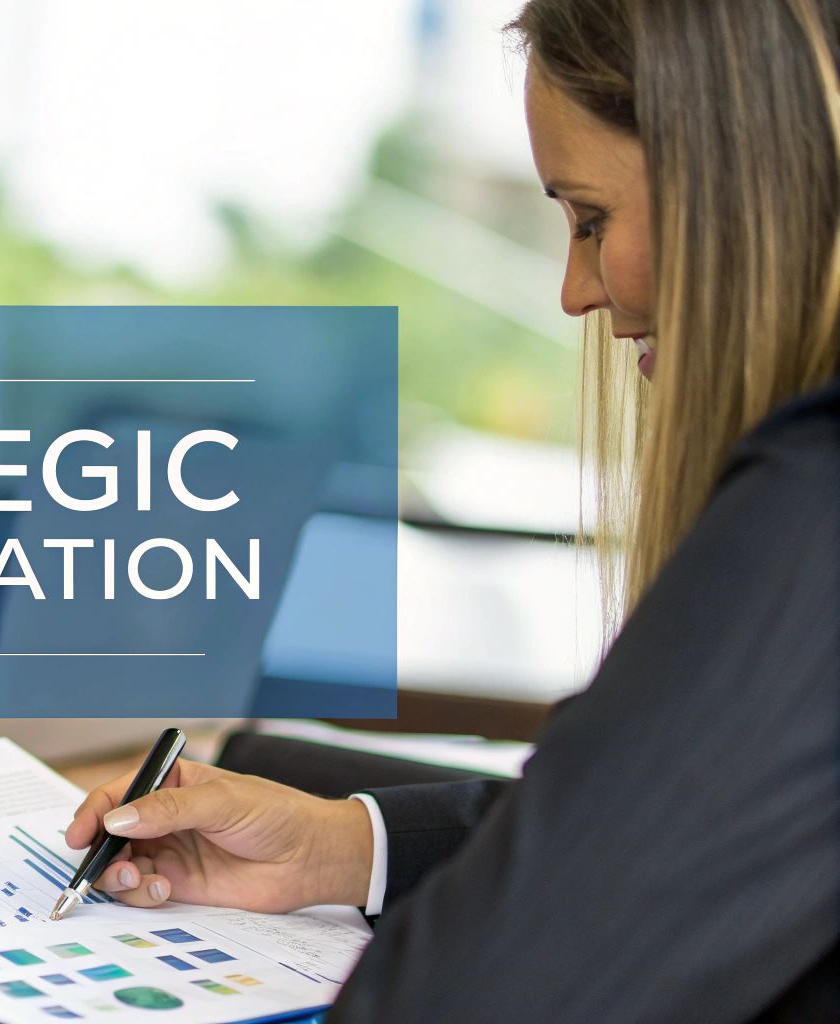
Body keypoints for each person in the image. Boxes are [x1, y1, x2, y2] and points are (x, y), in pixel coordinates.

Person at [65, 0, 840, 1019]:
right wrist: (339, 844)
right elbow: (637, 829)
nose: (573, 290)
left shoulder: (805, 511)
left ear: (735, 182)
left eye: (589, 219)